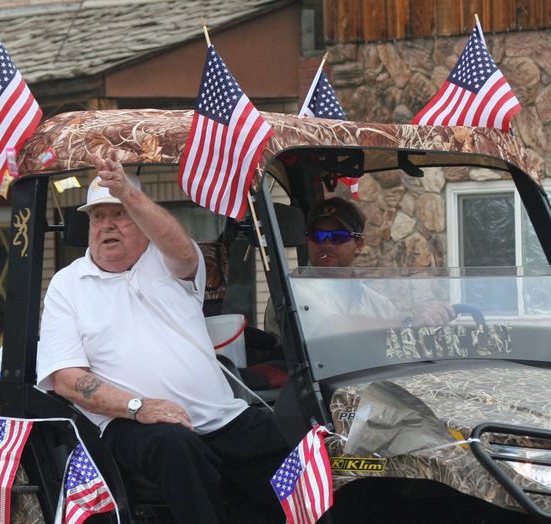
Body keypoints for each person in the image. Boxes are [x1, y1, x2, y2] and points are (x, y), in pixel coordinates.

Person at [36, 151, 288, 524]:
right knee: (174, 446)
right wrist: (140, 407)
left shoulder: (170, 263)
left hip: (221, 418)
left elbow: (181, 248)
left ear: (140, 219)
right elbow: (66, 379)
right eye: (98, 216)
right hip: (132, 424)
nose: (107, 225)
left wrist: (128, 192)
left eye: (119, 213)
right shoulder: (67, 284)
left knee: (289, 449)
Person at [264, 197, 455, 339]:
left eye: (338, 237)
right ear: (308, 240)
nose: (327, 244)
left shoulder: (380, 305)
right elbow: (330, 329)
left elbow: (398, 345)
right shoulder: (289, 293)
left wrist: (429, 319)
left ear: (359, 244)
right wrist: (407, 322)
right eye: (318, 236)